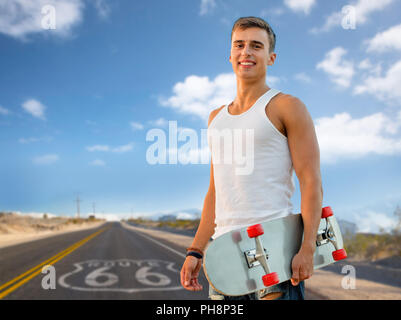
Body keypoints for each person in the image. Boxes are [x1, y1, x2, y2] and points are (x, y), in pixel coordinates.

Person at [180, 16, 323, 300]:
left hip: (274, 254)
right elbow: (215, 192)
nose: (246, 52)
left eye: (256, 46)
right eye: (239, 45)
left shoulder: (287, 106)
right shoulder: (215, 119)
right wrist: (196, 250)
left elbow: (311, 182)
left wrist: (307, 247)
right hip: (224, 259)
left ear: (271, 58)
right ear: (230, 55)